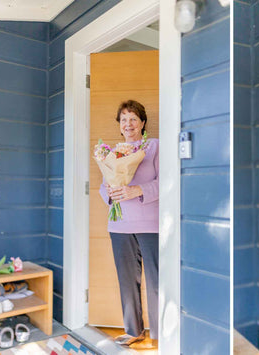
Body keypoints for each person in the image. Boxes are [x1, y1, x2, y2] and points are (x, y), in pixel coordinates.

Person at [99, 100, 159, 346]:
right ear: (119, 125)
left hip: (150, 224)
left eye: (133, 118)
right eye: (124, 119)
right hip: (120, 225)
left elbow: (167, 182)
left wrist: (138, 190)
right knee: (126, 280)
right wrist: (111, 194)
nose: (129, 124)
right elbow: (104, 187)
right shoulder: (113, 153)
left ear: (143, 123)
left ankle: (160, 332)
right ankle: (134, 330)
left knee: (156, 281)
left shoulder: (154, 147)